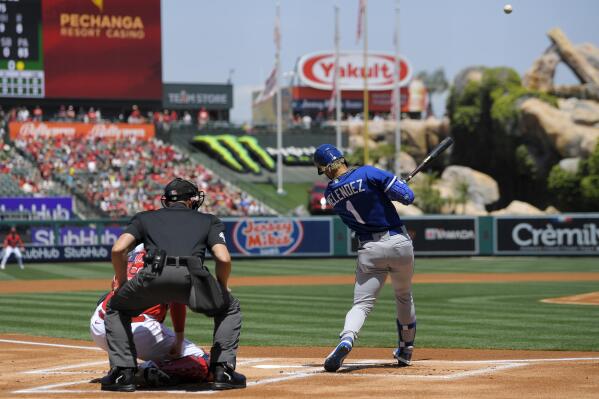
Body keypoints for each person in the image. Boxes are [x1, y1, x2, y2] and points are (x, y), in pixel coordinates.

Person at [100, 177, 245, 392]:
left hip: (152, 276)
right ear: (190, 201)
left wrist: (122, 283)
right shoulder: (209, 220)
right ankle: (222, 370)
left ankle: (124, 374)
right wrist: (222, 287)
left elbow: (117, 250)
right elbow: (223, 259)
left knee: (115, 308)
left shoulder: (144, 218)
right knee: (229, 308)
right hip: (193, 278)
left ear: (166, 200)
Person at [313, 144, 417, 372]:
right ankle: (406, 350)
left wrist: (387, 190)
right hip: (398, 241)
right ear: (342, 159)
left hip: (369, 248)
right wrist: (397, 185)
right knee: (403, 296)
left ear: (327, 169)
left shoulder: (330, 194)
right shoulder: (369, 172)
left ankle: (347, 339)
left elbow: (361, 198)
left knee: (362, 304)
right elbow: (408, 197)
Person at [90, 244, 210, 387]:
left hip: (99, 325)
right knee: (204, 362)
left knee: (112, 300)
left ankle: (119, 364)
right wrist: (178, 341)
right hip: (138, 331)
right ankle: (142, 370)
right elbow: (177, 301)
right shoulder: (174, 252)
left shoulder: (135, 250)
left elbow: (114, 284)